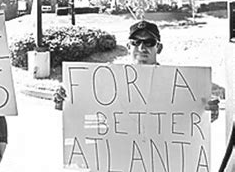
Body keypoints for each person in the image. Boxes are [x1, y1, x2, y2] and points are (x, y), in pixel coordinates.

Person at [54, 20, 219, 121]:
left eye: (149, 42)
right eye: (135, 42)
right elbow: (88, 118)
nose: (142, 47)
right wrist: (64, 102)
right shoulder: (108, 83)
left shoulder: (179, 85)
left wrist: (208, 113)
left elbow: (193, 122)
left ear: (158, 47)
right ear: (128, 47)